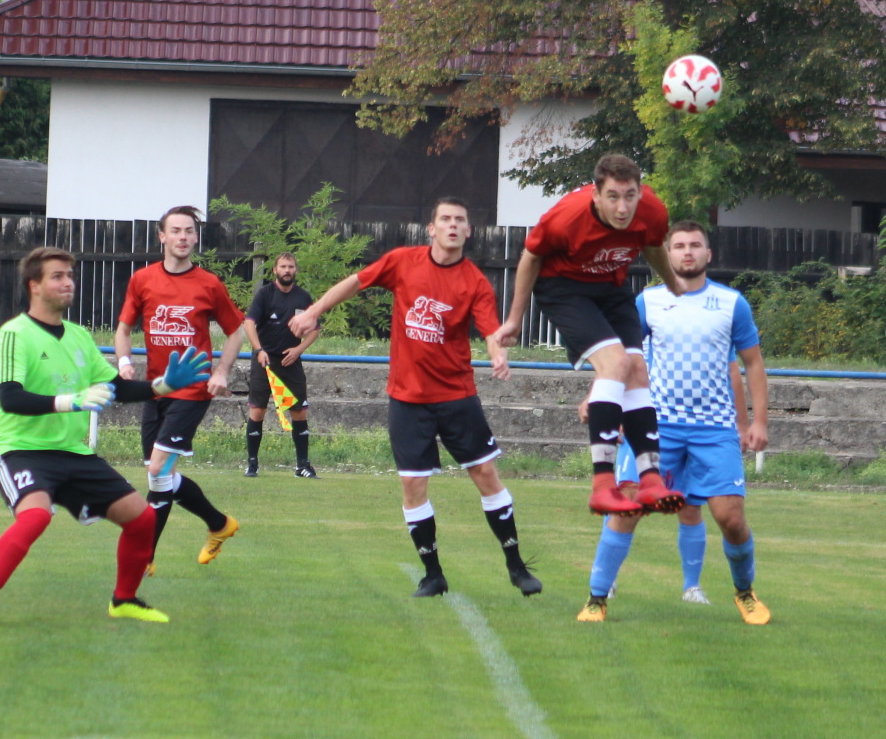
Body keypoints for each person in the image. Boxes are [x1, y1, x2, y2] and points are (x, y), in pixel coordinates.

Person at [289, 197, 542, 598]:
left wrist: (498, 354)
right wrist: (313, 310)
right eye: (446, 219)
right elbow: (357, 281)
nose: (453, 225)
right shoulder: (403, 261)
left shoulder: (475, 281)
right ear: (432, 228)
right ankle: (433, 575)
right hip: (408, 399)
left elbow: (491, 329)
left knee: (486, 475)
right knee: (412, 484)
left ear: (469, 231)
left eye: (461, 220)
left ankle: (516, 566)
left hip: (457, 396)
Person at [0, 247, 212, 632]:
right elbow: (10, 398)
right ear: (34, 286)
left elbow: (115, 388)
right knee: (36, 515)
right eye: (57, 276)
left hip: (71, 452)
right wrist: (72, 400)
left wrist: (162, 386)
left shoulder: (78, 336)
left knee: (141, 519)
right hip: (17, 448)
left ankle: (124, 601)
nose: (68, 282)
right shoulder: (14, 334)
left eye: (70, 275)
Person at [576, 220, 771, 625]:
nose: (687, 252)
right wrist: (597, 392)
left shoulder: (732, 303)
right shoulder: (648, 301)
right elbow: (621, 354)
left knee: (731, 518)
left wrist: (757, 422)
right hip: (655, 424)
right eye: (679, 245)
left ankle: (745, 592)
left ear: (708, 254)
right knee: (628, 505)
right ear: (667, 254)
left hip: (715, 429)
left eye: (695, 245)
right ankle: (597, 599)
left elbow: (752, 363)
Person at [495, 154, 686, 517]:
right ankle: (602, 485)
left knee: (636, 369)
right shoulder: (566, 217)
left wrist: (673, 284)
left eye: (630, 195)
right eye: (613, 196)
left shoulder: (653, 212)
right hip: (563, 289)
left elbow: (652, 245)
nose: (623, 206)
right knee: (614, 363)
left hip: (609, 288)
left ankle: (649, 480)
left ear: (640, 191)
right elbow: (530, 256)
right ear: (595, 194)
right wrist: (515, 319)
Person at [114, 206, 245, 575]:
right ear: (162, 236)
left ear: (195, 237)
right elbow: (123, 330)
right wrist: (125, 364)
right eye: (176, 231)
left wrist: (221, 371)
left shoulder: (209, 284)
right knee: (161, 478)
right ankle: (219, 524)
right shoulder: (142, 280)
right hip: (154, 390)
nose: (184, 237)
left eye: (189, 231)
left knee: (158, 469)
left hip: (192, 391)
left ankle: (145, 557)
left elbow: (236, 330)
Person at [243, 251, 320, 478]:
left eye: (291, 267)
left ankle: (302, 466)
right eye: (283, 267)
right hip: (264, 361)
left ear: (296, 270)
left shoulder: (303, 298)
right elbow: (248, 324)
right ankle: (252, 464)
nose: (287, 270)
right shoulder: (264, 295)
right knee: (258, 411)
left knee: (299, 411)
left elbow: (315, 330)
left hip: (291, 361)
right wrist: (259, 350)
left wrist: (298, 350)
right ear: (275, 270)